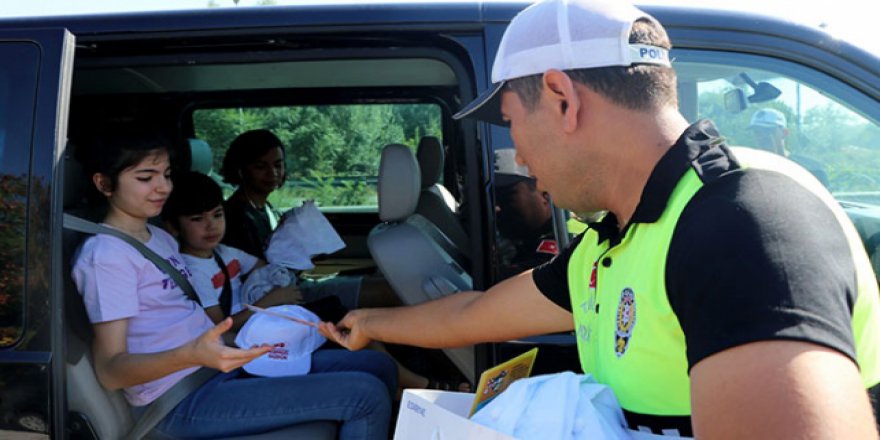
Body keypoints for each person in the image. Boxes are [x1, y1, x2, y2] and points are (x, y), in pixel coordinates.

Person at [319, 0, 880, 438]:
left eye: (510, 121)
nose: (517, 154)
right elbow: (477, 312)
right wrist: (371, 323)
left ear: (562, 98)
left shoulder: (742, 223)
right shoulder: (617, 236)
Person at [72, 126, 397, 439]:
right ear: (104, 184)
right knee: (364, 396)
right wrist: (193, 354)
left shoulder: (158, 236)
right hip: (178, 400)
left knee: (377, 364)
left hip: (217, 366)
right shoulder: (106, 255)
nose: (163, 188)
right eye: (145, 178)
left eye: (166, 175)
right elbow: (111, 371)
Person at [163, 169, 454, 392]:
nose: (211, 225)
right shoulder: (194, 271)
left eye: (217, 215)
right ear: (173, 227)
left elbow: (268, 266)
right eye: (197, 219)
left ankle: (410, 381)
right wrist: (268, 301)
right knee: (340, 319)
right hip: (247, 333)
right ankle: (418, 385)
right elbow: (216, 328)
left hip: (262, 319)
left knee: (342, 315)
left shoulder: (224, 253)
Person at [493, 148, 558, 279]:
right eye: (494, 198)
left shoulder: (562, 242)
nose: (497, 207)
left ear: (544, 197)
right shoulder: (527, 241)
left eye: (506, 196)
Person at [748, 107, 829, 186]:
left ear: (785, 133)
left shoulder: (811, 169)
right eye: (757, 132)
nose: (762, 137)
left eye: (768, 131)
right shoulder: (748, 171)